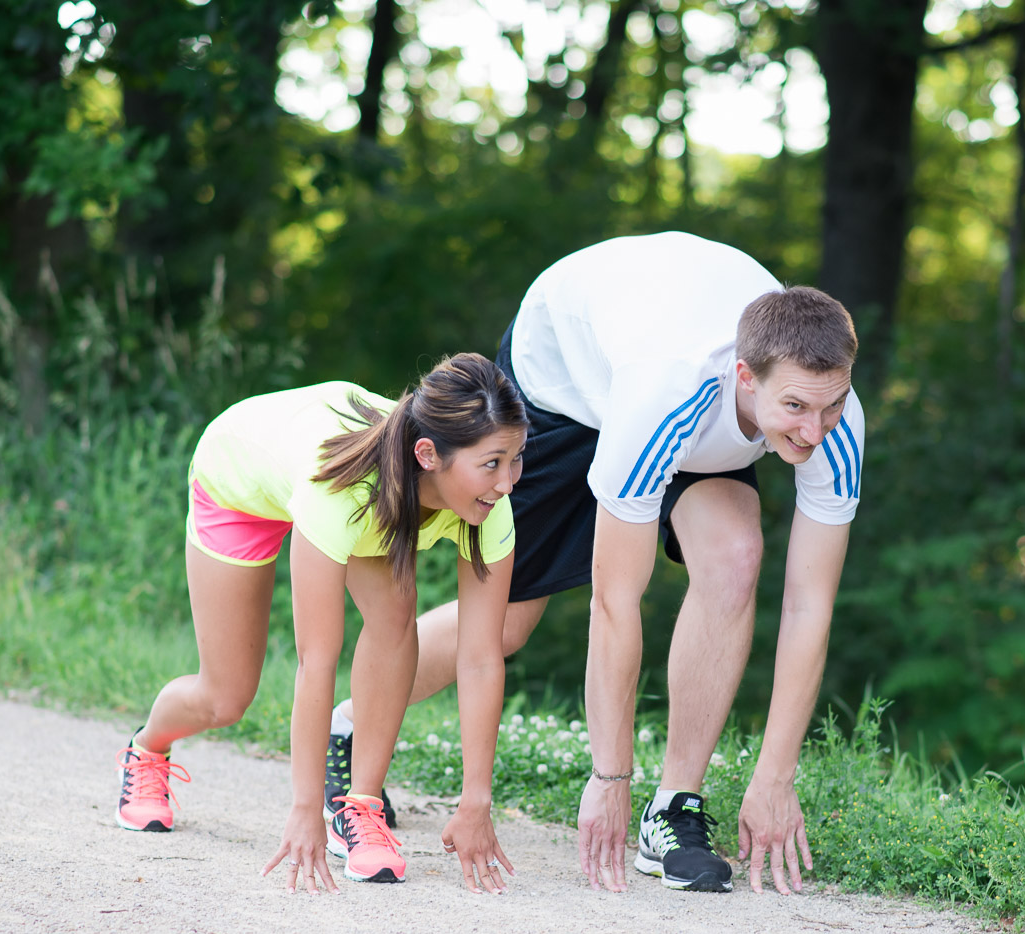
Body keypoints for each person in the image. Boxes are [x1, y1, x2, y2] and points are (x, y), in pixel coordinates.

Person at [330, 232, 863, 895]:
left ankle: (675, 808)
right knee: (502, 628)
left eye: (832, 404)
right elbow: (616, 600)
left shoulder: (828, 414)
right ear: (746, 377)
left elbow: (810, 604)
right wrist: (609, 776)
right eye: (796, 409)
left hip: (666, 375)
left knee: (734, 557)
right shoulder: (666, 397)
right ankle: (348, 725)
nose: (816, 430)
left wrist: (776, 774)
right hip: (567, 383)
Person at [114, 353, 528, 895]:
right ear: (428, 454)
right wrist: (304, 809)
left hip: (376, 499)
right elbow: (317, 658)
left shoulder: (487, 503)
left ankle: (362, 806)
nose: (509, 482)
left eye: (517, 458)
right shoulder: (340, 492)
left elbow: (479, 657)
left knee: (395, 619)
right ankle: (147, 749)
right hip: (239, 483)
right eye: (493, 463)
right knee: (226, 695)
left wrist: (476, 799)